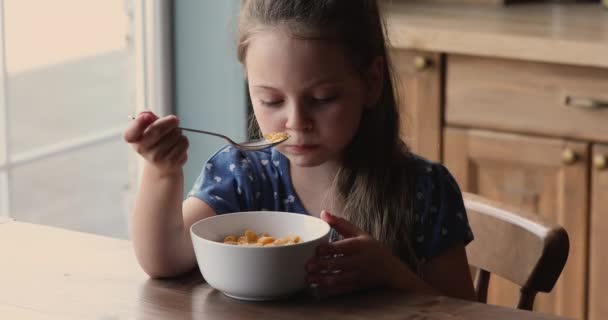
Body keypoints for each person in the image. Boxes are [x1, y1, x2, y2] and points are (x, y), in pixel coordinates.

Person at [123, 0, 475, 300]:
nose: (296, 122)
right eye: (271, 100)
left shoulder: (424, 190)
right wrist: (162, 171)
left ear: (371, 83)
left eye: (323, 99)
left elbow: (464, 314)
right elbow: (164, 259)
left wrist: (390, 273)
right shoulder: (242, 174)